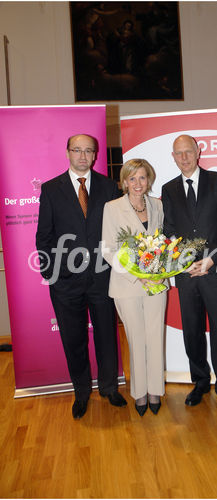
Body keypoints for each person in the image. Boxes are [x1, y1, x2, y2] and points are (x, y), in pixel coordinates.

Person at [36, 134, 127, 419]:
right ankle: (81, 392)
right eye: (77, 150)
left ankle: (110, 388)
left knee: (106, 336)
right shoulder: (52, 189)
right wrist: (52, 275)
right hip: (66, 283)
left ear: (96, 155)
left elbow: (120, 232)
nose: (83, 156)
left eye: (89, 151)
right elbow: (44, 236)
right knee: (73, 339)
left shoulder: (110, 187)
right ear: (67, 152)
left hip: (102, 279)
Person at [161, 134, 217, 418]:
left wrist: (209, 260)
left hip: (216, 270)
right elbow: (168, 229)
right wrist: (184, 261)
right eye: (178, 153)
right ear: (172, 157)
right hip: (186, 274)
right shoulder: (168, 189)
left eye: (188, 151)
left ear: (198, 152)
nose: (184, 157)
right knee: (192, 330)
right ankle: (199, 382)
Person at [102, 159, 168, 416]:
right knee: (137, 339)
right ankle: (140, 392)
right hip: (127, 284)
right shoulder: (112, 208)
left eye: (142, 178)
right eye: (132, 178)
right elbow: (109, 249)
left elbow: (163, 243)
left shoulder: (158, 206)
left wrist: (158, 272)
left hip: (157, 283)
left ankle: (155, 391)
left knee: (155, 338)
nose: (138, 184)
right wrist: (138, 275)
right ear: (124, 181)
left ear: (148, 180)